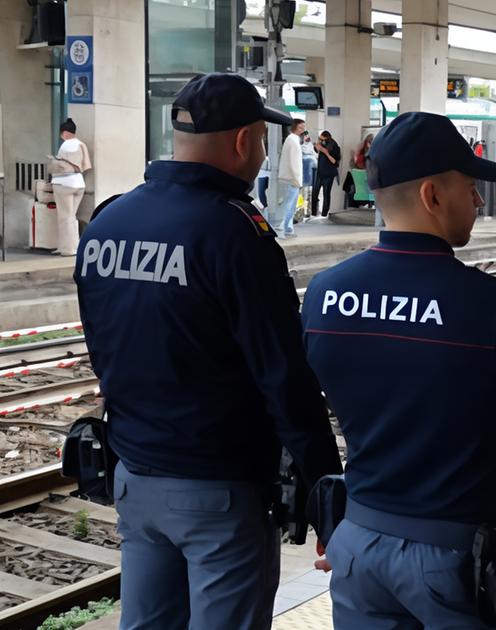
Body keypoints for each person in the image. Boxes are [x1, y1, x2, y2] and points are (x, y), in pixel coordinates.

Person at [73, 73, 343, 629]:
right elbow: (284, 378)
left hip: (134, 480)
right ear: (244, 141)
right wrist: (324, 493)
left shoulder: (109, 220)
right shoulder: (236, 234)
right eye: (262, 140)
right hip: (218, 492)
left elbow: (103, 345)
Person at [302, 112, 496, 627]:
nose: (479, 201)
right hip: (453, 557)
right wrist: (452, 443)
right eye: (470, 187)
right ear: (432, 195)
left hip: (357, 541)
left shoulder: (323, 294)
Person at [50, 118, 91, 257]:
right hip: (79, 184)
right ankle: (73, 246)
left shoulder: (66, 145)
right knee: (71, 216)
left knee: (65, 217)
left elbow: (60, 166)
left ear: (66, 133)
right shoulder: (81, 144)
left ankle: (68, 249)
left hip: (64, 184)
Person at [271, 117, 305, 238]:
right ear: (295, 127)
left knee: (288, 203)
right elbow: (294, 162)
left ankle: (287, 228)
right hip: (292, 179)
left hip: (289, 178)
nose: (303, 129)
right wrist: (297, 180)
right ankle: (284, 227)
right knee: (290, 204)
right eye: (301, 127)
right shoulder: (293, 140)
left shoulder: (291, 139)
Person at [310, 130, 341, 218]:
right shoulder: (323, 143)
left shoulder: (334, 146)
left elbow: (334, 161)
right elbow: (317, 151)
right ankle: (313, 212)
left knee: (326, 193)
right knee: (315, 192)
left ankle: (324, 213)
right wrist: (316, 146)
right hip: (320, 172)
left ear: (326, 137)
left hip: (329, 174)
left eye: (321, 138)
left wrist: (326, 152)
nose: (320, 140)